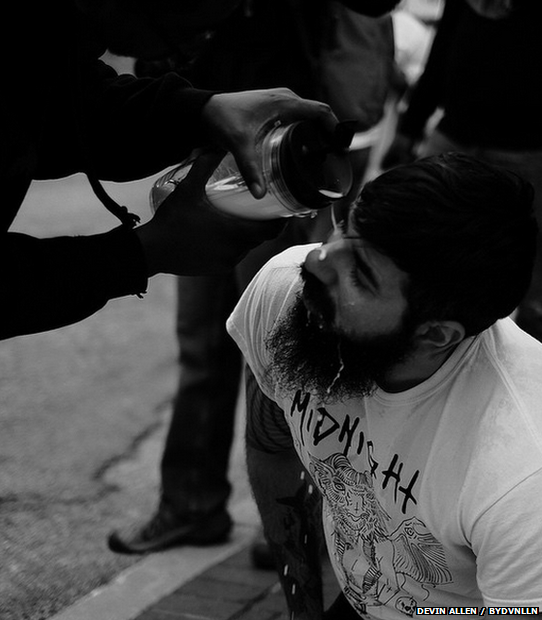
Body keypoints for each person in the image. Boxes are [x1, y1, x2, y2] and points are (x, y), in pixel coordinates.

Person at [0, 0, 347, 390]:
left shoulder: (30, 25)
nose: (219, 26)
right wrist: (142, 253)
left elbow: (64, 103)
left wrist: (199, 111)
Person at [107, 0, 398, 556]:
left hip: (283, 159)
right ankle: (191, 502)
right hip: (208, 145)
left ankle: (293, 518)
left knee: (283, 350)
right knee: (203, 345)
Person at [227, 152, 542, 616]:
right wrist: (303, 610)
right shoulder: (286, 292)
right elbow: (271, 445)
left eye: (361, 275)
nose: (318, 262)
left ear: (435, 334)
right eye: (343, 227)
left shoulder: (521, 474)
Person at [381, 0, 542, 340]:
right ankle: (413, 326)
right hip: (453, 132)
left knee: (522, 256)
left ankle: (523, 340)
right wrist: (410, 127)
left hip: (524, 147)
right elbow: (442, 51)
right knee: (420, 236)